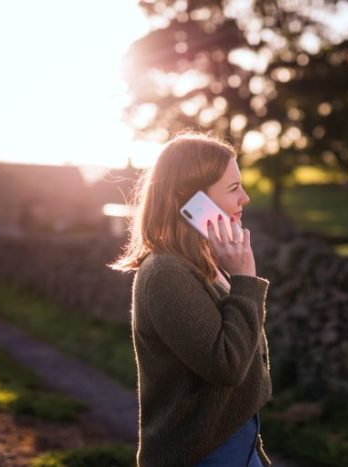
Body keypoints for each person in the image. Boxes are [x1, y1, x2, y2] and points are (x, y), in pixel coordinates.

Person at [110, 132, 273, 466]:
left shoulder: (203, 265)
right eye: (233, 188)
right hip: (200, 456)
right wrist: (244, 279)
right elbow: (227, 365)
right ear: (193, 202)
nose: (245, 198)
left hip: (237, 446)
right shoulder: (165, 274)